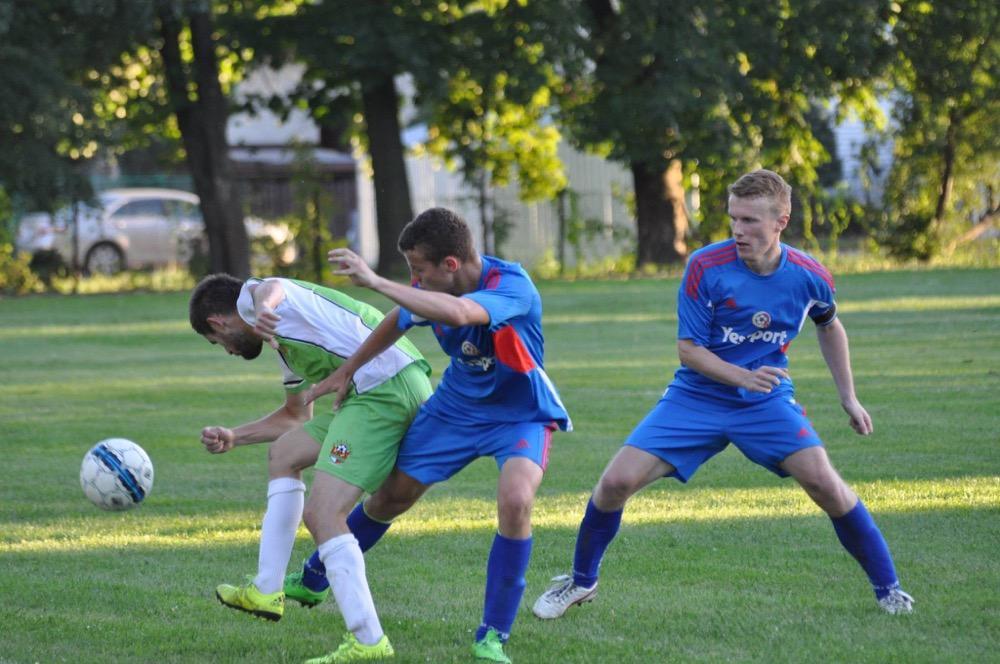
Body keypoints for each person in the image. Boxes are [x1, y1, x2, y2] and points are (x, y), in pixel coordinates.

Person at [532, 169, 914, 621]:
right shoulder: (705, 266)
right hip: (697, 396)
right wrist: (740, 376)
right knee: (614, 483)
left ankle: (889, 589)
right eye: (733, 218)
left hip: (766, 399)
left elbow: (829, 325)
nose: (738, 230)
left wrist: (848, 397)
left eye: (750, 220)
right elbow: (688, 351)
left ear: (781, 221)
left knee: (824, 483)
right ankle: (580, 581)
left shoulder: (811, 276)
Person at [286, 207, 571, 663]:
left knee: (516, 501)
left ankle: (492, 635)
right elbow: (396, 320)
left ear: (451, 265)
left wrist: (376, 281)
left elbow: (460, 313)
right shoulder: (426, 291)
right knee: (388, 499)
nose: (413, 280)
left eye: (419, 270)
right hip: (454, 411)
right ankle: (316, 573)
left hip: (520, 415)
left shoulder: (511, 286)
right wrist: (347, 370)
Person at [189, 274, 432, 662]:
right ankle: (266, 590)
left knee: (323, 513)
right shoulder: (286, 347)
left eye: (216, 342)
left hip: (384, 389)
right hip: (370, 392)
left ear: (218, 323)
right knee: (284, 454)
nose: (227, 351)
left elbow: (271, 288)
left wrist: (265, 308)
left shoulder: (257, 301)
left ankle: (368, 642)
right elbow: (294, 417)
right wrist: (236, 435)